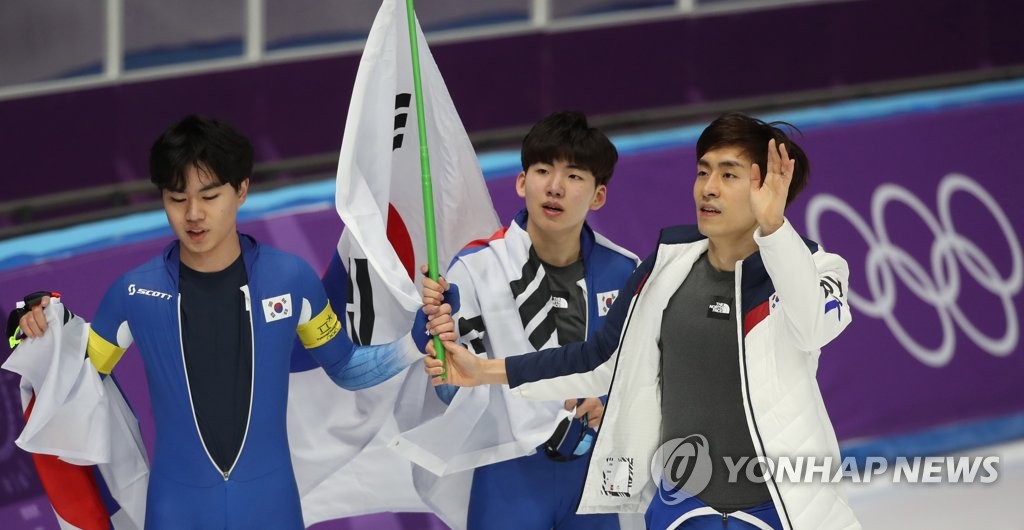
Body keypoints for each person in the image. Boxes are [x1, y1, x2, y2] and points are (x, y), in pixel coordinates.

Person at [422, 113, 861, 529]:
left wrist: (775, 230)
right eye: (703, 171)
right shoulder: (664, 268)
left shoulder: (818, 268)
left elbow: (812, 326)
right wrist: (483, 372)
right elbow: (599, 358)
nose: (708, 188)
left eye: (729, 175)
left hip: (781, 512)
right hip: (681, 512)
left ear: (768, 188)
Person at [11, 115, 436, 530]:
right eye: (177, 199)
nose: (193, 213)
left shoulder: (291, 280)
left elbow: (344, 367)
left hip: (271, 509)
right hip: (177, 511)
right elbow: (73, 380)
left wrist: (411, 344)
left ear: (241, 190)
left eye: (210, 196)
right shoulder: (134, 294)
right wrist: (33, 327)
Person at [414, 111, 638, 530]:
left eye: (574, 176)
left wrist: (607, 404)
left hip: (594, 479)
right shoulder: (477, 268)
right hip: (509, 479)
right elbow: (449, 384)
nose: (555, 187)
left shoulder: (625, 271)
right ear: (521, 182)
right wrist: (431, 328)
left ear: (598, 196)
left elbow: (647, 374)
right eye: (542, 170)